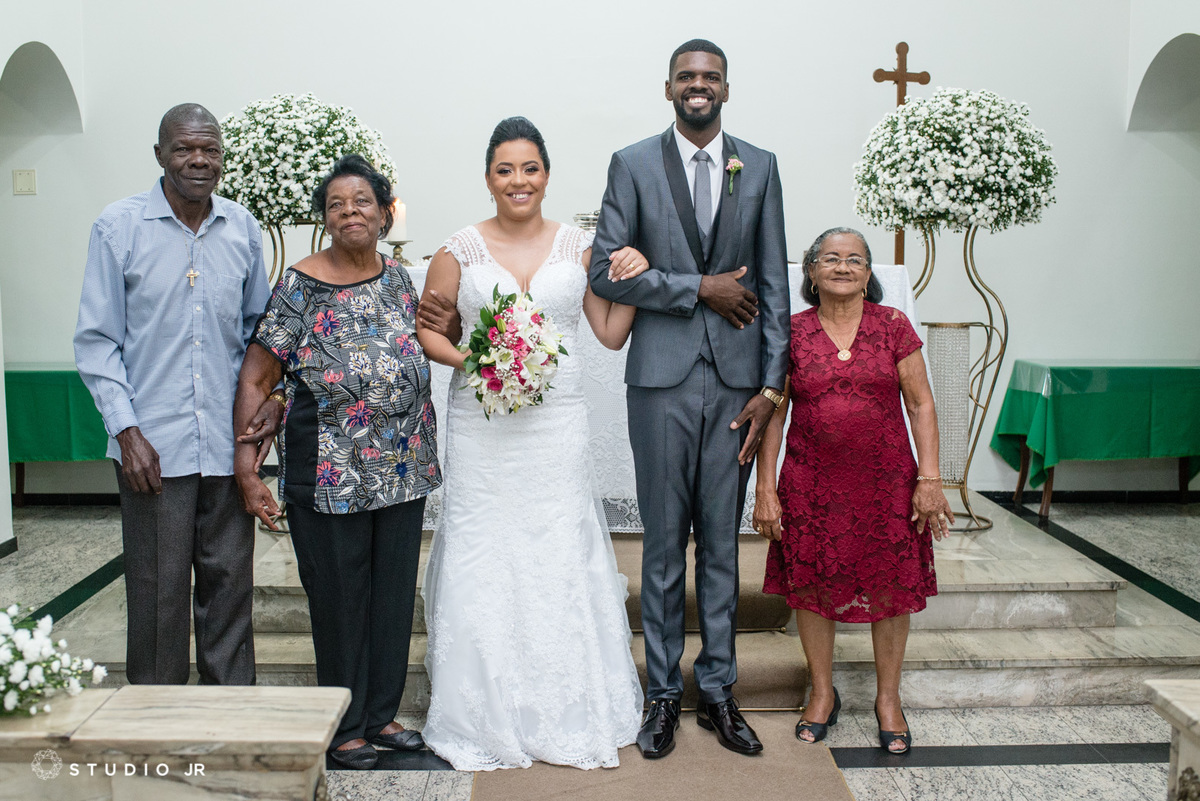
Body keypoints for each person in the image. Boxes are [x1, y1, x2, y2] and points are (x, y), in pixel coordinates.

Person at [415, 116, 647, 771]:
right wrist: (472, 361)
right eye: (505, 169)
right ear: (488, 178)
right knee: (483, 548)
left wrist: (634, 278)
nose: (518, 180)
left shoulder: (580, 248)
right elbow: (428, 329)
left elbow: (608, 332)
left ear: (546, 175)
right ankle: (481, 710)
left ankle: (566, 706)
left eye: (530, 168)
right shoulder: (458, 250)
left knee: (556, 546)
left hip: (556, 425)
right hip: (481, 425)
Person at [588, 39, 790, 758]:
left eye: (710, 77)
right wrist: (698, 287)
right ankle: (663, 695)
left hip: (737, 385)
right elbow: (604, 271)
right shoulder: (632, 164)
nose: (698, 85)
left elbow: (772, 284)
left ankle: (719, 691)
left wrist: (771, 386)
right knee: (664, 542)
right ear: (668, 87)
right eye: (686, 76)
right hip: (660, 380)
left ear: (725, 89)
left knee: (722, 545)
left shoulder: (759, 166)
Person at [233, 154, 441, 770]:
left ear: (383, 212)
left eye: (362, 202)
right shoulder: (299, 285)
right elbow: (258, 376)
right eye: (336, 205)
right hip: (330, 474)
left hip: (402, 468)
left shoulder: (399, 279)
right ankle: (345, 724)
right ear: (325, 219)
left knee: (392, 596)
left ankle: (380, 715)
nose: (350, 212)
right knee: (339, 600)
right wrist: (247, 467)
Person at [74, 103, 271, 687]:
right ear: (159, 154)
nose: (198, 160)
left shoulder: (242, 228)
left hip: (228, 447)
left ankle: (230, 716)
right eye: (184, 148)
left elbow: (259, 333)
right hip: (152, 451)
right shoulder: (119, 227)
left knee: (230, 590)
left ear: (222, 157)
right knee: (157, 595)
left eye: (209, 149)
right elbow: (96, 341)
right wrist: (126, 432)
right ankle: (156, 720)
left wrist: (271, 402)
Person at [751, 227, 954, 755]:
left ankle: (888, 699)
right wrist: (765, 488)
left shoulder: (893, 325)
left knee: (890, 588)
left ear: (868, 274)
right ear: (811, 272)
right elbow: (773, 414)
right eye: (830, 258)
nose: (842, 267)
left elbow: (921, 404)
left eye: (855, 259)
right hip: (812, 484)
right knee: (812, 587)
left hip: (888, 485)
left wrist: (930, 479)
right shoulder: (791, 331)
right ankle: (822, 693)